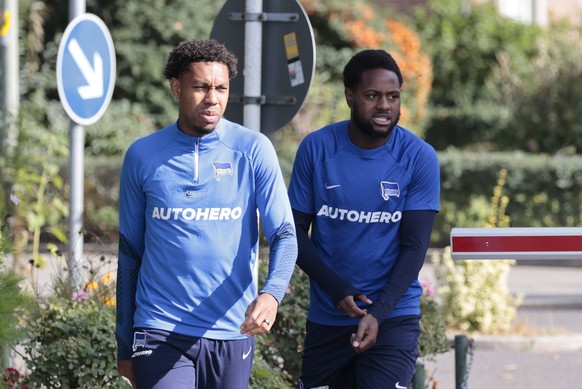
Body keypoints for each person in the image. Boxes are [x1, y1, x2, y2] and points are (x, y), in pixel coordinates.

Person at [116, 39, 298, 389]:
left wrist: (272, 294)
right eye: (200, 87)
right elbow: (129, 254)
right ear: (176, 87)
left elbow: (285, 235)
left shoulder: (253, 149)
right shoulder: (142, 156)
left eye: (221, 88)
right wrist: (125, 343)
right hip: (160, 328)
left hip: (232, 330)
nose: (212, 98)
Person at [288, 49, 440, 389]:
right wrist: (336, 289)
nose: (384, 105)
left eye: (393, 96)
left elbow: (415, 247)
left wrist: (378, 314)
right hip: (328, 316)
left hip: (393, 316)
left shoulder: (418, 157)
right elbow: (292, 232)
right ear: (350, 96)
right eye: (372, 95)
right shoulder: (316, 148)